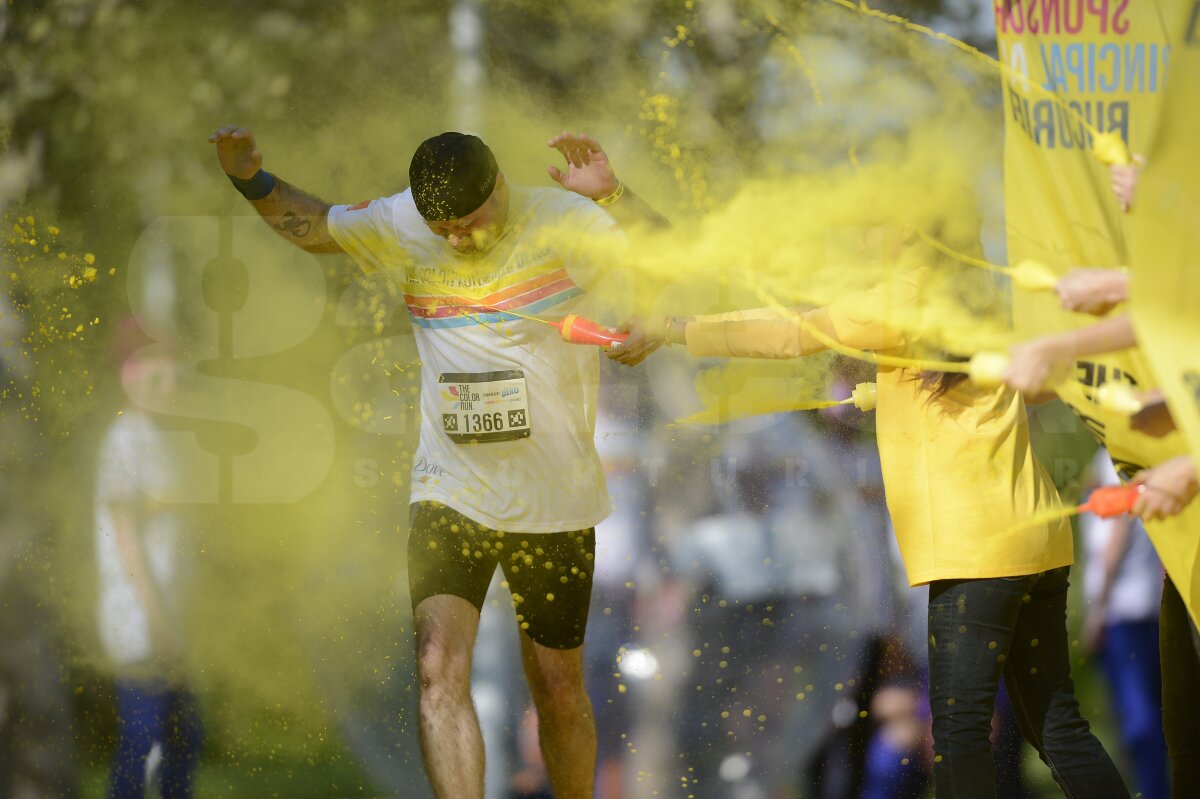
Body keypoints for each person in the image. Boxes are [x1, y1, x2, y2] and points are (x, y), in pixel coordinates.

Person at [209, 125, 662, 799]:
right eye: (442, 229)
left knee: (558, 688)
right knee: (436, 668)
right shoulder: (402, 221)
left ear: (499, 188)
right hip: (451, 488)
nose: (457, 240)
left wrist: (616, 200)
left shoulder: (563, 220)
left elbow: (669, 258)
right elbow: (316, 227)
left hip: (553, 497)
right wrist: (250, 179)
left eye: (469, 224)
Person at [655, 233, 1129, 798]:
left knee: (959, 730)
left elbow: (793, 330)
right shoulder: (976, 302)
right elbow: (1036, 387)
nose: (864, 237)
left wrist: (676, 329)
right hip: (1037, 538)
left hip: (977, 548)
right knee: (1056, 725)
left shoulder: (904, 298)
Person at [95, 330, 202, 799]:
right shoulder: (124, 439)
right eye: (157, 374)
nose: (170, 383)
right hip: (138, 617)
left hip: (166, 617)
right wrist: (156, 620)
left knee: (182, 736)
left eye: (173, 373)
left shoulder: (159, 439)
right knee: (148, 739)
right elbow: (126, 539)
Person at [1080, 449, 1169, 799]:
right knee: (1156, 715)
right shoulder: (1140, 455)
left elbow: (1115, 538)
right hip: (1149, 606)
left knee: (1137, 722)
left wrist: (1097, 609)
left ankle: (1151, 791)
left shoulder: (1111, 460)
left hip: (1121, 612)